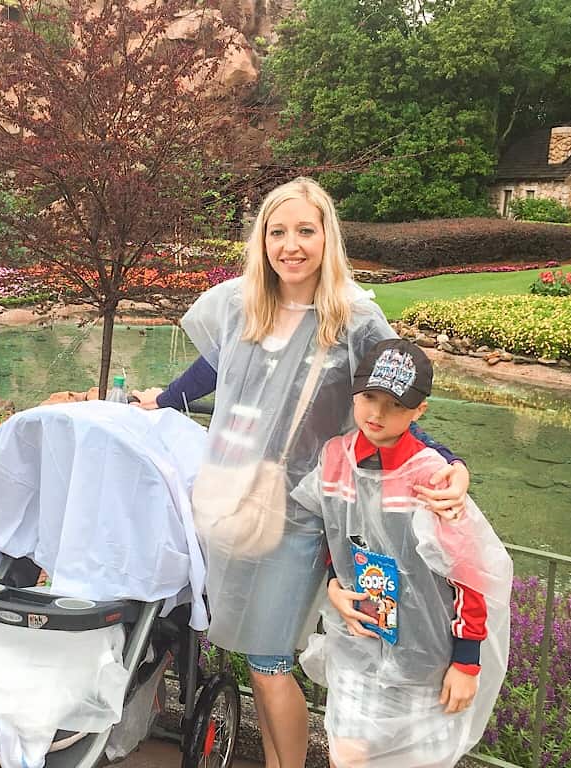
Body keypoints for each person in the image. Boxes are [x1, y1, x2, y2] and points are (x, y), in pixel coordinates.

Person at [163, 177, 471, 768]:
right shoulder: (239, 303)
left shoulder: (354, 319)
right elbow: (215, 367)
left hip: (301, 513)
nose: (291, 245)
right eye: (278, 232)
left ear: (327, 235)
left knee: (272, 663)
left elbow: (394, 399)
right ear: (262, 240)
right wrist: (164, 400)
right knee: (258, 662)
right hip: (231, 502)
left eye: (305, 230)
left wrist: (450, 463)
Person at [291, 339, 512, 768]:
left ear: (419, 410)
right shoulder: (336, 458)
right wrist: (335, 588)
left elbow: (467, 572)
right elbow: (335, 534)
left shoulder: (433, 478)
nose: (376, 413)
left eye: (394, 404)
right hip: (360, 637)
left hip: (422, 656)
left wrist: (467, 661)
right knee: (347, 753)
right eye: (369, 397)